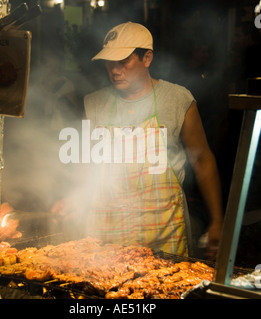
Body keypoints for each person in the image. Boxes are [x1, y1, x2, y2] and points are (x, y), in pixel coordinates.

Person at [54, 22, 223, 260]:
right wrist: (73, 197)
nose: (115, 70)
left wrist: (217, 220)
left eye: (123, 61)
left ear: (147, 58)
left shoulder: (177, 99)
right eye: (109, 63)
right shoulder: (94, 104)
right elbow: (86, 164)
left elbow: (203, 159)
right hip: (108, 232)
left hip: (165, 233)